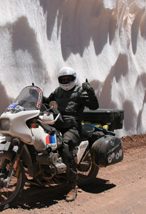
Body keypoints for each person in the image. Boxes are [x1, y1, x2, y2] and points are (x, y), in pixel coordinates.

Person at [44, 66, 99, 202]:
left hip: (73, 128)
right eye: (63, 79)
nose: (66, 81)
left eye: (69, 79)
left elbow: (94, 106)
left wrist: (90, 92)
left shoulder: (80, 91)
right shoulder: (57, 91)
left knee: (67, 147)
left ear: (74, 78)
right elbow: (46, 102)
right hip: (57, 124)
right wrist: (35, 98)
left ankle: (72, 186)